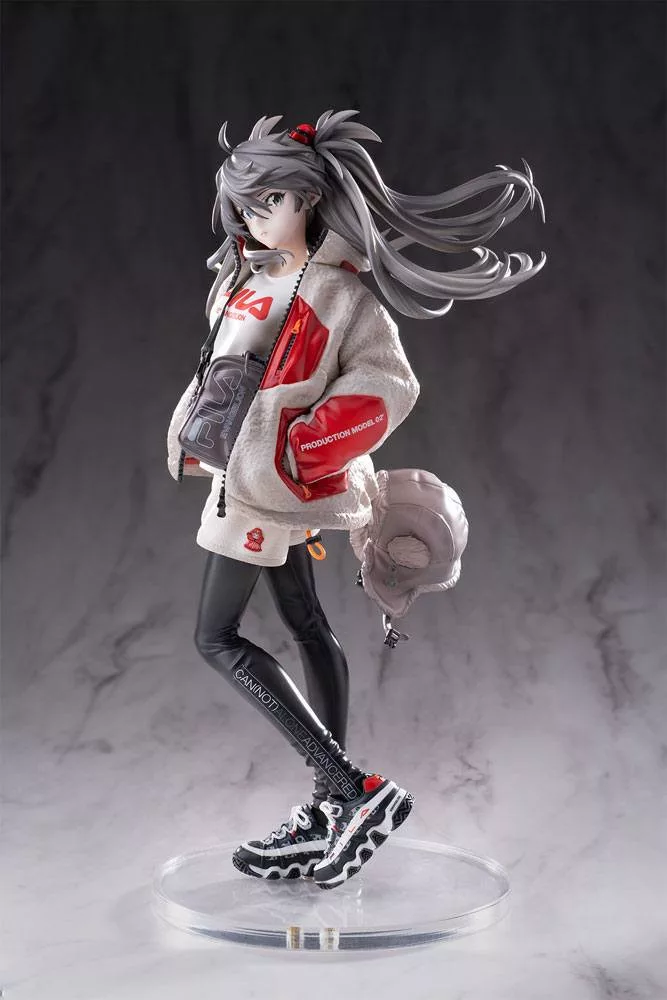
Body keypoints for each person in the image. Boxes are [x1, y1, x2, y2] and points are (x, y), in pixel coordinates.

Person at [166, 110, 546, 889]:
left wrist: (298, 448)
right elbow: (222, 372)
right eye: (244, 202)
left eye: (270, 200)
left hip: (263, 490)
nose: (253, 216)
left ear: (310, 198)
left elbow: (386, 384)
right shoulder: (244, 279)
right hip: (242, 479)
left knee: (217, 637)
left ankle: (351, 790)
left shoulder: (339, 294)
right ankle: (327, 809)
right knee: (305, 625)